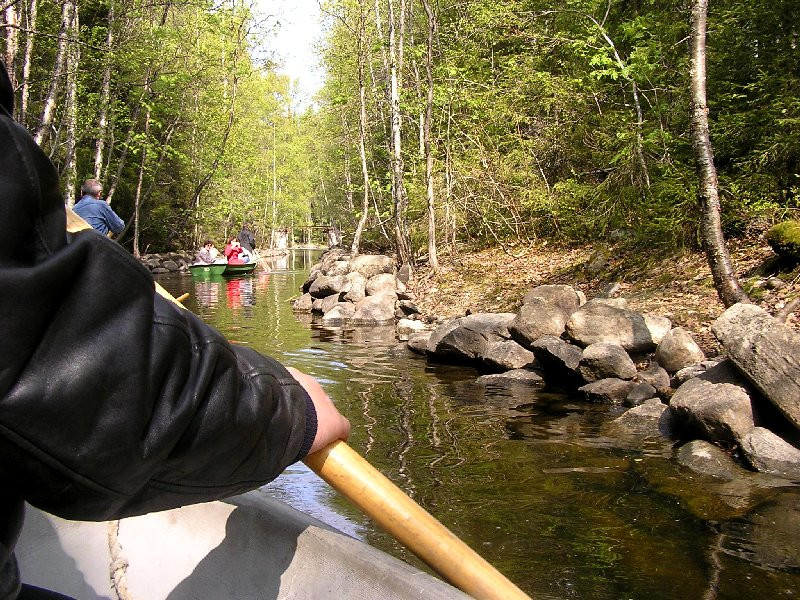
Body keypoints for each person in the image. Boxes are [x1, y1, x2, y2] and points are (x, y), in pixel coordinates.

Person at [0, 60, 350, 600]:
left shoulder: (52, 198)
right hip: (81, 275)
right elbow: (59, 363)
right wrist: (285, 411)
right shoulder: (86, 210)